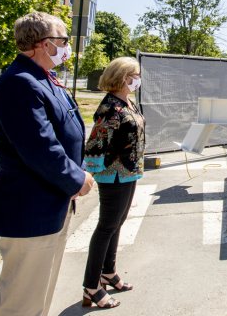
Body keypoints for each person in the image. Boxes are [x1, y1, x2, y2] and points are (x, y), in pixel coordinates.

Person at [0, 12, 94, 316]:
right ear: (44, 44)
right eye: (63, 40)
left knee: (39, 294)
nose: (68, 47)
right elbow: (39, 147)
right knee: (22, 302)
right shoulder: (20, 83)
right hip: (31, 207)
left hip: (50, 203)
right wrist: (77, 179)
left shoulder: (42, 79)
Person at [81, 57, 146, 309]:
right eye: (134, 75)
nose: (137, 79)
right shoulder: (111, 107)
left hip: (129, 171)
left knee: (117, 224)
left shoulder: (126, 102)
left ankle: (109, 272)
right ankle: (91, 286)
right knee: (106, 227)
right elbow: (96, 144)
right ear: (122, 76)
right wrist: (91, 174)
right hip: (113, 174)